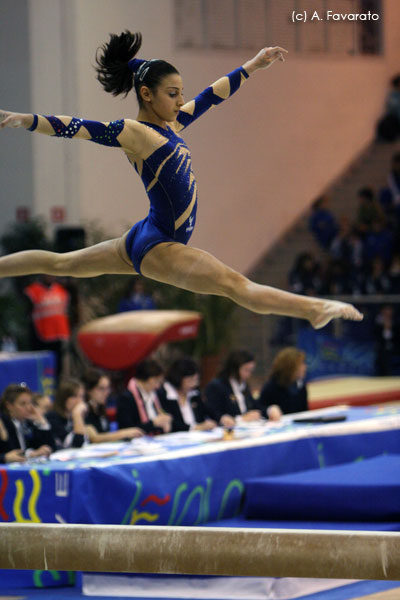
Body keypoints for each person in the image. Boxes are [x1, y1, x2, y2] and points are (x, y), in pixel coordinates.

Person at [0, 31, 362, 332]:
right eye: (172, 94)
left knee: (62, 264)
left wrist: (252, 65)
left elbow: (210, 96)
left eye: (180, 93)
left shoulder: (170, 126)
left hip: (147, 233)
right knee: (237, 286)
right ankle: (312, 309)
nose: (180, 101)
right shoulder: (135, 133)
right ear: (147, 95)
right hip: (161, 245)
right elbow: (78, 128)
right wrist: (22, 119)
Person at [23, 274, 71, 379]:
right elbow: (27, 313)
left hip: (59, 335)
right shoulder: (32, 291)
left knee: (58, 369)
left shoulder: (62, 290)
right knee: (42, 370)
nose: (51, 276)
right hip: (40, 336)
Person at [83, 369, 144, 442]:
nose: (106, 392)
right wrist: (124, 433)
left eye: (108, 388)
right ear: (89, 390)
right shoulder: (84, 410)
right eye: (101, 389)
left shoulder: (100, 408)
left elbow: (105, 434)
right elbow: (94, 438)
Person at [157, 358, 216, 432]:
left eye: (196, 380)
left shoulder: (194, 394)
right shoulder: (164, 394)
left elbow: (208, 410)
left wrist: (221, 418)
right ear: (178, 378)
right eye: (190, 380)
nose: (194, 384)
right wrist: (195, 427)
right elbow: (171, 422)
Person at [204, 350, 261, 425]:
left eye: (251, 370)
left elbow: (254, 406)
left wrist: (268, 410)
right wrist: (240, 419)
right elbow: (215, 414)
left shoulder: (244, 385)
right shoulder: (217, 386)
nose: (249, 374)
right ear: (234, 369)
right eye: (246, 370)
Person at [116, 359, 172, 435]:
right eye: (157, 381)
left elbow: (164, 417)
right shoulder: (127, 398)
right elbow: (126, 429)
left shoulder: (157, 394)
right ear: (151, 379)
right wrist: (153, 423)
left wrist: (165, 422)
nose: (158, 386)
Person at [0, 384, 54, 457]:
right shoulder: (3, 422)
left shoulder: (27, 422)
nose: (29, 408)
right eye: (23, 404)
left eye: (29, 403)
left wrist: (42, 422)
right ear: (9, 406)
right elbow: (11, 452)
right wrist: (4, 457)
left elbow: (51, 448)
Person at [258, 347, 308, 417]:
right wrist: (269, 411)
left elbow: (304, 412)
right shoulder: (271, 387)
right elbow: (259, 410)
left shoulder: (300, 385)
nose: (305, 367)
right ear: (290, 367)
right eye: (301, 364)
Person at [46, 378, 87, 449]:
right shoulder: (52, 417)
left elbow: (85, 441)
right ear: (63, 397)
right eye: (74, 396)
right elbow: (77, 443)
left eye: (81, 396)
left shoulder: (70, 416)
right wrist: (77, 414)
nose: (79, 401)